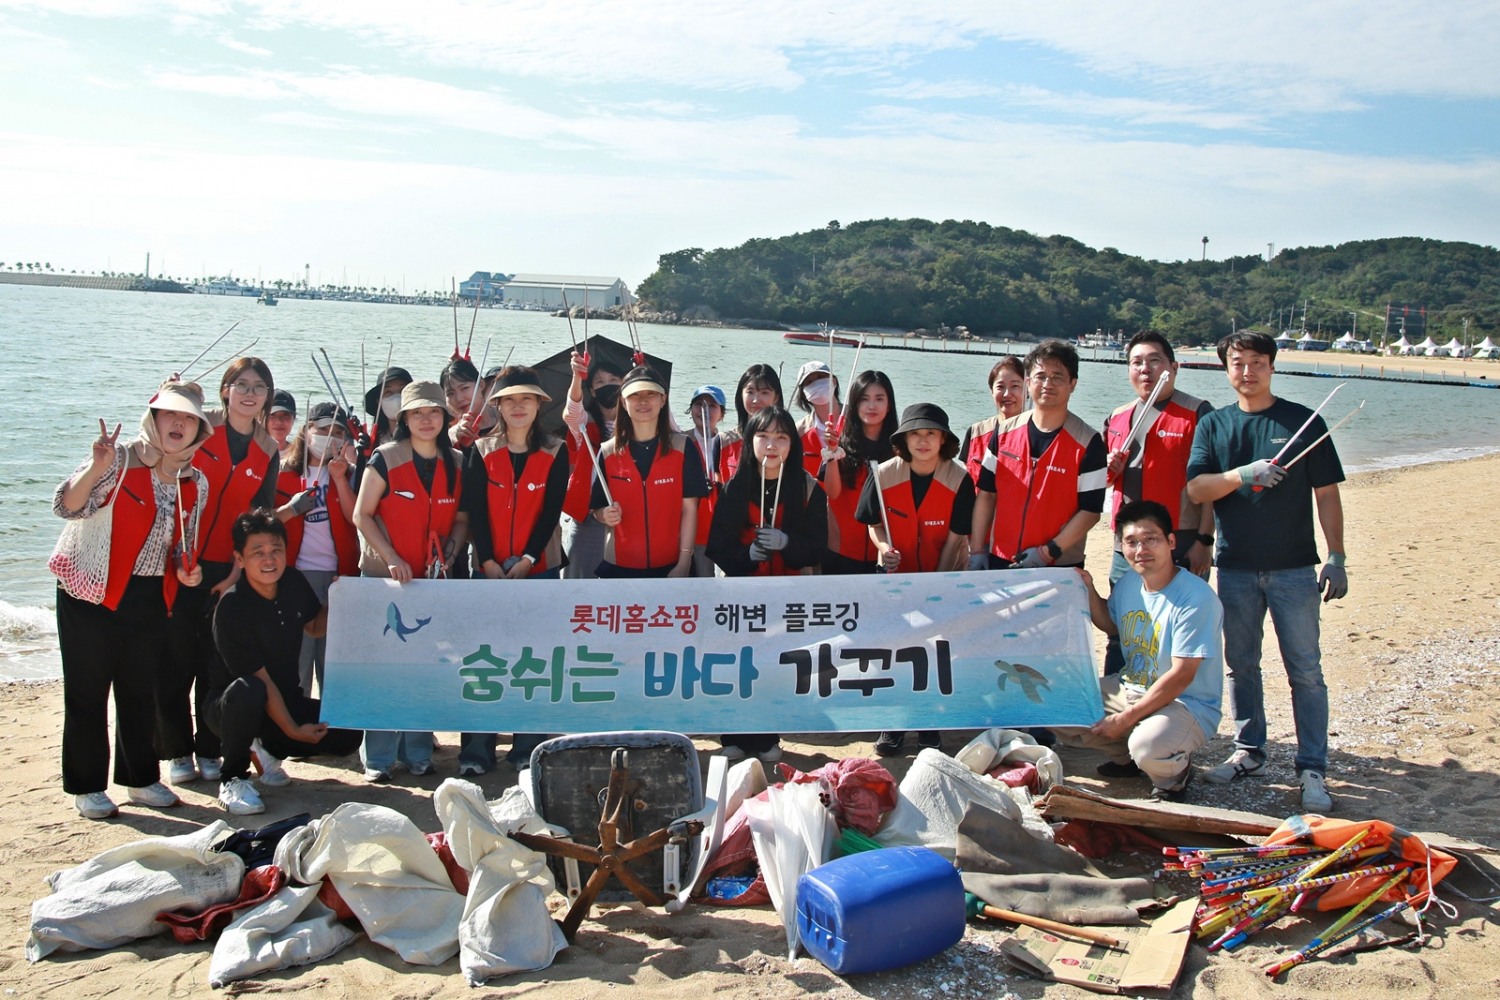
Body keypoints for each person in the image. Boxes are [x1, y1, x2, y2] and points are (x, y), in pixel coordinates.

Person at [1186, 330, 1347, 813]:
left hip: (1294, 568)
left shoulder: (1302, 421)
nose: (1247, 371)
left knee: (1306, 670)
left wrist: (1336, 556)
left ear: (1272, 367)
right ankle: (1249, 750)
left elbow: (1328, 494)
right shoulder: (1215, 425)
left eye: (1257, 362)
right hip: (1235, 565)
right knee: (1242, 665)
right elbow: (1197, 490)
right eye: (1238, 362)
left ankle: (1312, 767)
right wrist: (1243, 474)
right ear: (1226, 368)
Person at [51, 380, 210, 819]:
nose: (178, 423)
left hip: (148, 594)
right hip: (90, 589)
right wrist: (95, 465)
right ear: (153, 418)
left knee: (140, 691)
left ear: (199, 430)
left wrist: (187, 569)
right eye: (169, 414)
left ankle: (140, 779)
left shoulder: (194, 480)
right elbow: (66, 506)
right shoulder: (117, 460)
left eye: (188, 418)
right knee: (87, 691)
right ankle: (86, 786)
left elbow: (182, 545)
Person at [159, 357, 281, 788]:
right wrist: (169, 395)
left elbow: (257, 519)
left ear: (267, 396)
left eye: (259, 387)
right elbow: (157, 439)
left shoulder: (267, 449)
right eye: (241, 384)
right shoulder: (200, 426)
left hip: (225, 569)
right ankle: (176, 751)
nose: (250, 393)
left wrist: (234, 574)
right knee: (175, 660)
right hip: (177, 561)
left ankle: (209, 748)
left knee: (216, 665)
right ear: (225, 389)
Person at [1058, 500, 1224, 801]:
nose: (1141, 549)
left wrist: (1124, 719)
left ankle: (1173, 775)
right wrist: (1089, 589)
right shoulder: (1129, 584)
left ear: (1171, 542)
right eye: (1132, 542)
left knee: (1148, 747)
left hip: (1186, 703)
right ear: (1122, 547)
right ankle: (1130, 759)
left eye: (1151, 539)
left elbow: (1182, 675)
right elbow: (1112, 626)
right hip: (1133, 687)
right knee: (1062, 711)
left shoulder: (1195, 598)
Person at [209, 509, 362, 815]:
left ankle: (268, 747)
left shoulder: (292, 580)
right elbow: (261, 681)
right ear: (239, 558)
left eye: (276, 550)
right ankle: (233, 778)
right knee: (250, 689)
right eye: (258, 552)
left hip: (284, 700)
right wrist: (293, 730)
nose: (269, 560)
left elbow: (314, 627)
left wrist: (339, 596)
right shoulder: (232, 606)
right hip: (233, 707)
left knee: (348, 734)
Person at [353, 380, 468, 782]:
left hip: (432, 582)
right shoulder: (385, 458)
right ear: (403, 417)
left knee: (424, 668)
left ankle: (418, 752)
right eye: (417, 412)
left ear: (445, 416)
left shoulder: (456, 460)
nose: (426, 418)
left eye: (434, 411)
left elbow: (462, 517)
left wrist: (454, 546)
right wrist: (392, 558)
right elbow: (362, 515)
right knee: (383, 669)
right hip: (384, 580)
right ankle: (379, 759)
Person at [461, 366, 570, 774]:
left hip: (538, 569)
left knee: (534, 660)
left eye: (526, 398)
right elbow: (475, 511)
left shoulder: (556, 450)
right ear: (498, 406)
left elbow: (550, 513)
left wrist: (527, 559)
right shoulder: (482, 450)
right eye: (509, 399)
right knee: (483, 660)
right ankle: (476, 751)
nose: (518, 406)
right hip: (487, 571)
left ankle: (527, 748)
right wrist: (487, 560)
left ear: (539, 404)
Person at [707, 405, 827, 761]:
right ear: (750, 441)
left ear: (792, 444)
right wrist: (747, 556)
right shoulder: (734, 487)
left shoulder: (808, 488)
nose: (771, 445)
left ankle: (768, 736)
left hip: (787, 593)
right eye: (763, 436)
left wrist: (787, 543)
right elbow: (716, 546)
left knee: (776, 664)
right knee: (740, 662)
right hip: (743, 594)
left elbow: (817, 546)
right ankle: (734, 734)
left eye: (781, 437)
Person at [858, 403, 974, 756]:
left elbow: (957, 538)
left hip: (945, 576)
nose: (923, 441)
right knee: (894, 650)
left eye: (931, 433)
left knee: (937, 653)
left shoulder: (960, 478)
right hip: (895, 581)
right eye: (915, 434)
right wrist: (884, 547)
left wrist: (936, 584)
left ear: (944, 440)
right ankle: (892, 724)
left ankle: (930, 726)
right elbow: (871, 523)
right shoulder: (883, 474)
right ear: (903, 440)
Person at [1100, 332, 1215, 675]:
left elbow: (1210, 483)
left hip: (1180, 538)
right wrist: (1108, 470)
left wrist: (1204, 541)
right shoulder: (1118, 417)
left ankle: (1173, 710)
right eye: (1136, 362)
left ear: (1173, 368)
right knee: (1122, 627)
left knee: (1175, 631)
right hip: (1127, 544)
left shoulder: (1197, 413)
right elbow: (1101, 481)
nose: (1145, 369)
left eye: (1154, 361)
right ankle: (1116, 702)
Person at [969, 340, 1107, 570]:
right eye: (1041, 376)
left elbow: (1090, 511)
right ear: (1029, 382)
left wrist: (1047, 552)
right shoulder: (1003, 433)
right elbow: (986, 495)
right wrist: (977, 550)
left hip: (1058, 563)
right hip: (1000, 557)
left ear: (1073, 384)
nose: (1047, 384)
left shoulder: (1088, 442)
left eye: (1057, 377)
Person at [272, 402, 360, 699]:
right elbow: (266, 522)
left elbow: (355, 518)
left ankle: (334, 732)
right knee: (296, 658)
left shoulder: (349, 474)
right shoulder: (282, 472)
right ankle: (295, 728)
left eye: (337, 431)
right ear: (307, 431)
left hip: (339, 575)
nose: (329, 436)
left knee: (332, 660)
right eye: (323, 429)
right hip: (295, 574)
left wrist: (339, 477)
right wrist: (292, 508)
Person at [592, 366, 710, 578]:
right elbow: (597, 507)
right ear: (623, 401)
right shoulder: (608, 452)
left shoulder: (683, 448)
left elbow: (690, 510)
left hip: (673, 566)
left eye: (651, 394)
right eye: (635, 395)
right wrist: (604, 515)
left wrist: (684, 563)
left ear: (663, 399)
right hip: (619, 566)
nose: (643, 401)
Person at [820, 370, 896, 575]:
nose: (872, 406)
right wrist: (832, 452)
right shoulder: (840, 445)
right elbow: (832, 493)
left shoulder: (899, 450)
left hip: (886, 556)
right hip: (840, 553)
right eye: (864, 399)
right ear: (854, 405)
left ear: (889, 405)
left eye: (879, 399)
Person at [560, 355, 625, 580]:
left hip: (628, 516)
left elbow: (671, 428)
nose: (608, 385)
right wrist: (577, 377)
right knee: (576, 583)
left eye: (614, 379)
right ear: (593, 392)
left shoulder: (641, 423)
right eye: (599, 382)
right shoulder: (585, 426)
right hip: (589, 518)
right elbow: (572, 411)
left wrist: (644, 377)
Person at [960, 356, 1026, 487]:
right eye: (1000, 386)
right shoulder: (975, 433)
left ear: (1028, 390)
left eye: (1015, 386)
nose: (1007, 394)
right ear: (991, 391)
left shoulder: (1038, 435)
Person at [716, 364, 784, 485]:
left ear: (776, 397)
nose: (756, 400)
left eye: (764, 392)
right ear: (740, 395)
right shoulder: (723, 441)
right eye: (750, 392)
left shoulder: (786, 441)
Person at [685, 385, 727, 577]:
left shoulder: (728, 442)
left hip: (725, 527)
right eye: (699, 404)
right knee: (702, 584)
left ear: (722, 413)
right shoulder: (680, 441)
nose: (704, 410)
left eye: (712, 405)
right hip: (695, 529)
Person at [792, 360, 841, 477]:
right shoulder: (797, 433)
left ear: (834, 381)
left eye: (820, 377)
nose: (817, 383)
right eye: (809, 382)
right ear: (804, 393)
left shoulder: (858, 418)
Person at [362, 365, 413, 449]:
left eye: (402, 391)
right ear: (378, 401)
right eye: (388, 392)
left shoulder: (425, 433)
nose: (396, 398)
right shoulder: (375, 440)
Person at [267, 389, 297, 458]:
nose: (279, 422)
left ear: (293, 419)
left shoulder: (301, 456)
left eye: (286, 415)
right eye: (272, 415)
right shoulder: (248, 453)